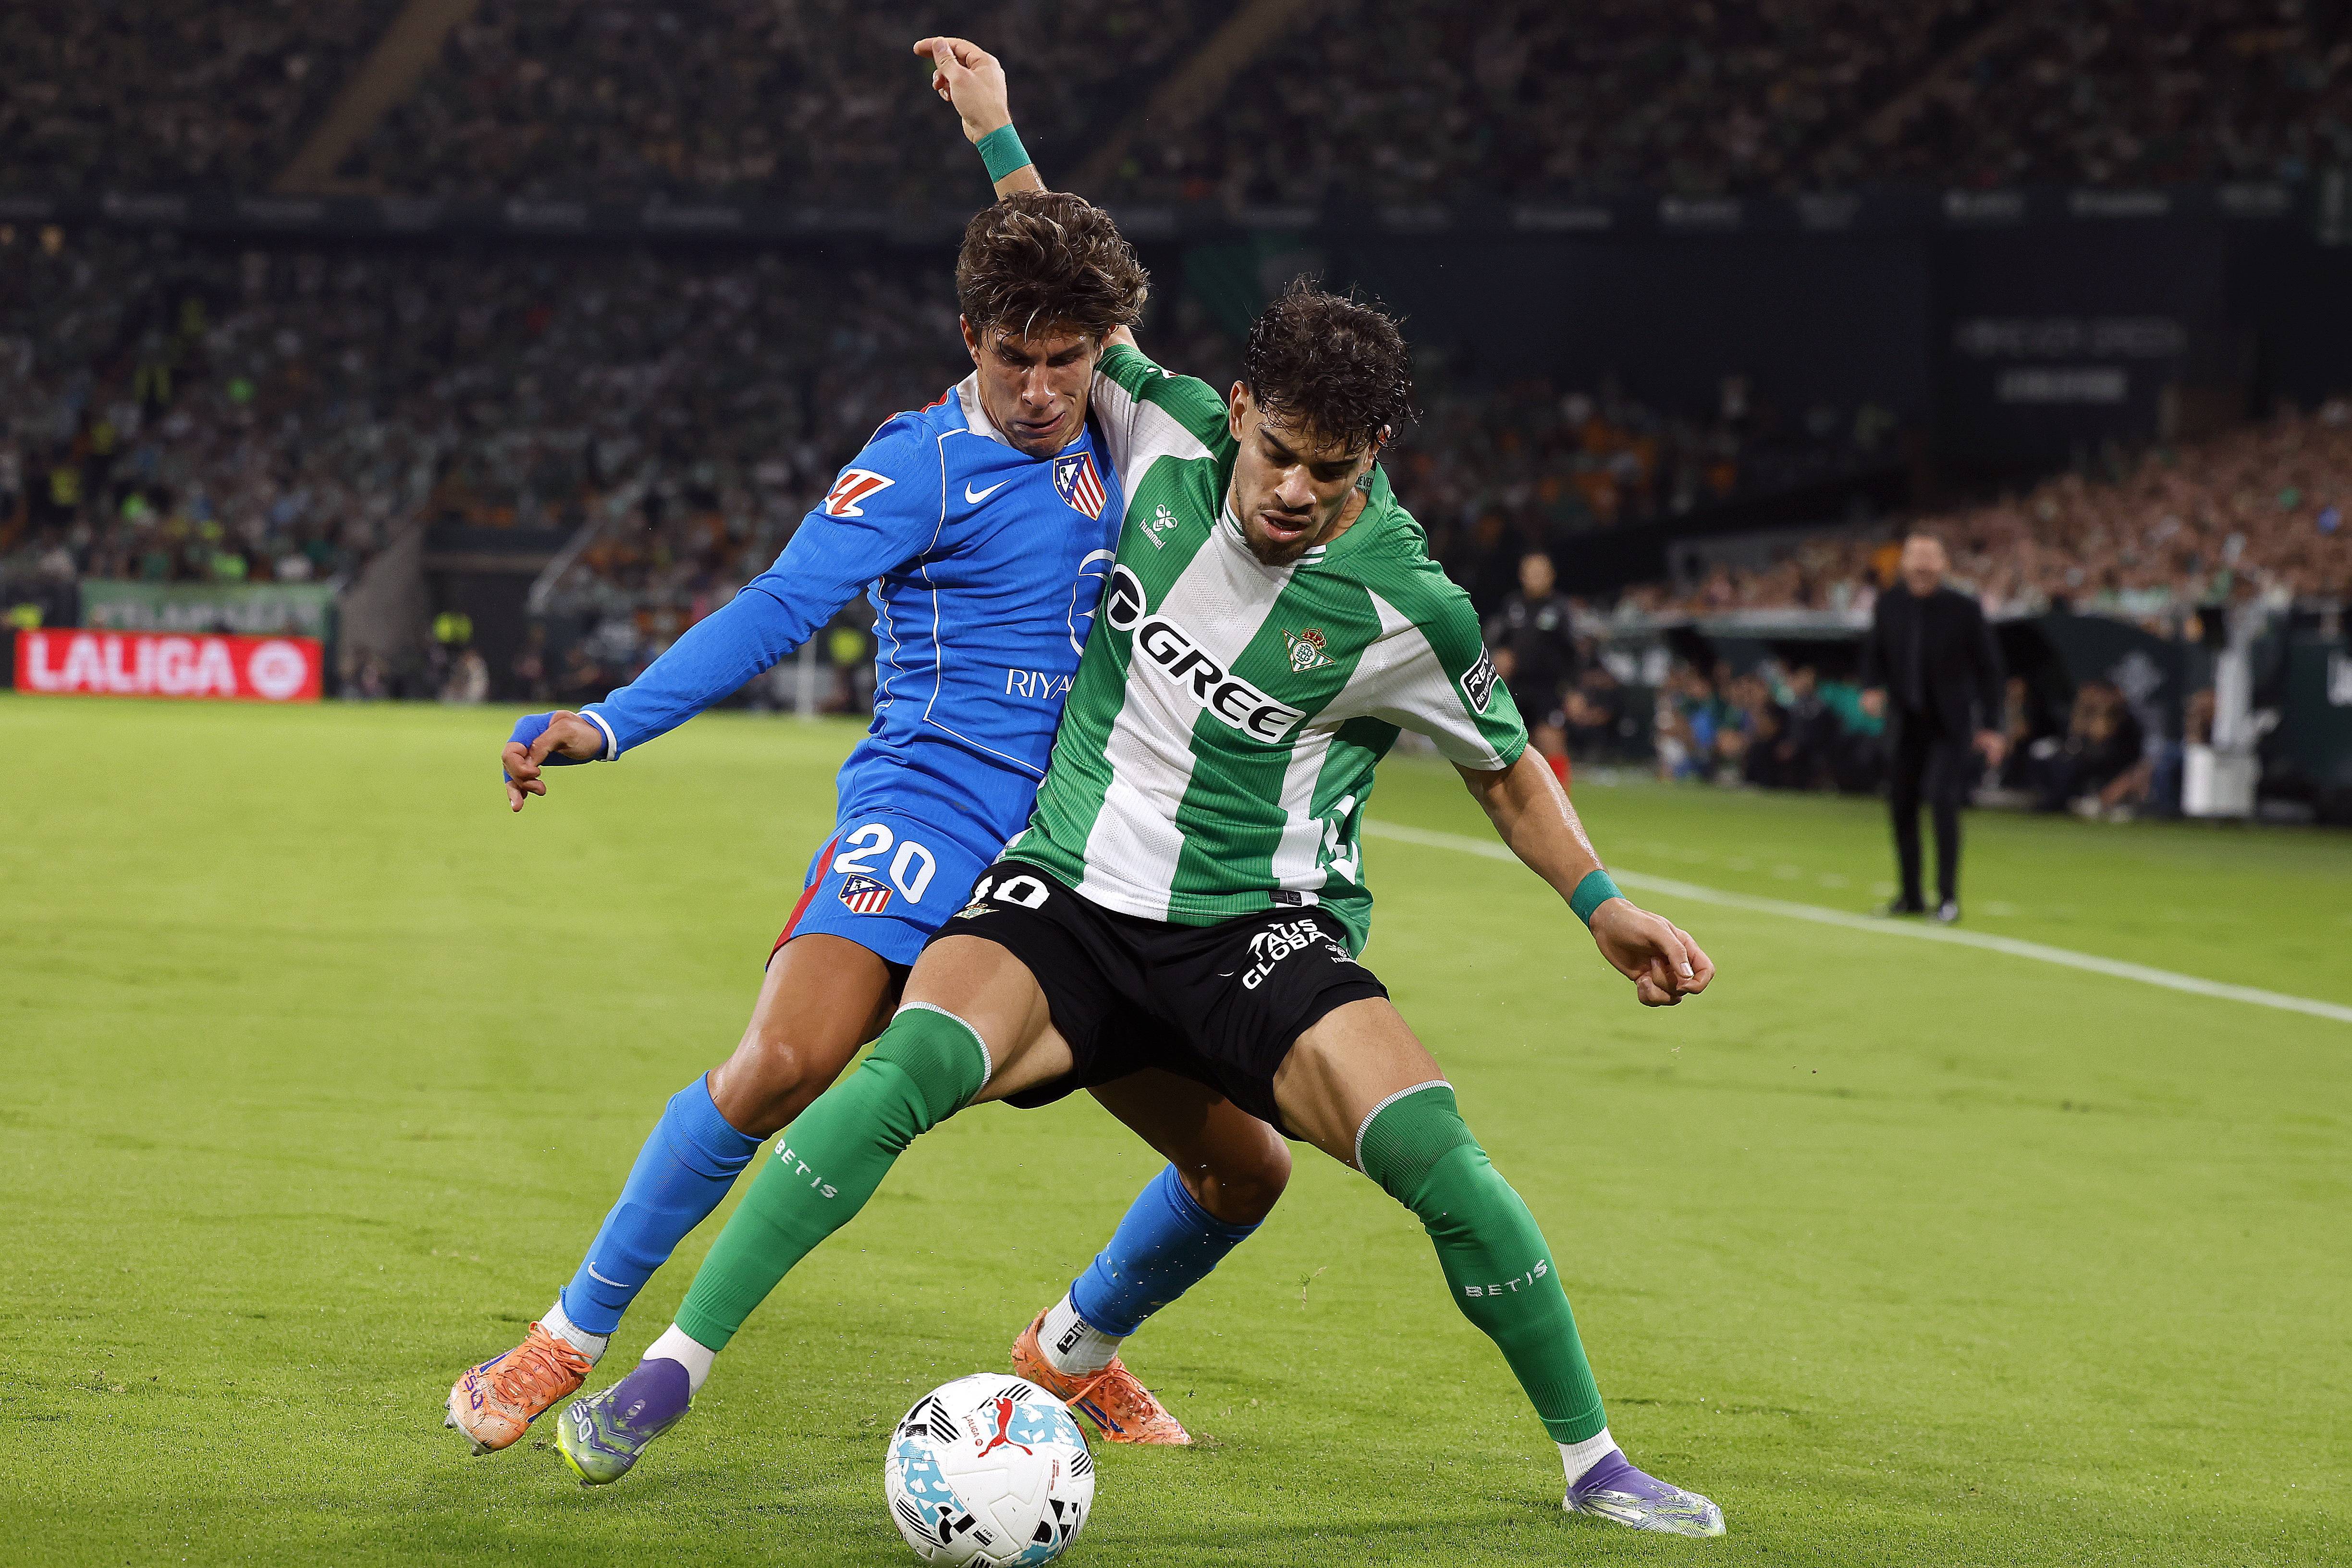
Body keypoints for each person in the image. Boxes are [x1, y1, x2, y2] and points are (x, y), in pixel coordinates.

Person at [558, 45, 1727, 1537]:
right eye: (1281, 454)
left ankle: (1592, 1463)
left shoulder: (1410, 605)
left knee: (1424, 1158)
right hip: (1069, 891)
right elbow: (1062, 280)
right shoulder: (1153, 420)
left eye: (1334, 473)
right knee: (899, 1073)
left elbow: (1506, 770)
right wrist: (997, 133)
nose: (1295, 492)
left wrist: (1602, 903)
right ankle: (663, 1375)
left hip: (1256, 930)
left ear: (1374, 460)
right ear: (1237, 409)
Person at [447, 189, 1288, 1463]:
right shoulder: (919, 463)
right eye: (1014, 359)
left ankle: (1073, 1348)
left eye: (1066, 361)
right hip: (925, 812)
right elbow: (778, 604)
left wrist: (996, 130)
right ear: (969, 338)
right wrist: (609, 723)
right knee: (785, 1064)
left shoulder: (1126, 434)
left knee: (1247, 1168)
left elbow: (1074, 256)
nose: (1042, 390)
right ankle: (568, 1336)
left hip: (1075, 856)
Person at [1858, 531, 2004, 921]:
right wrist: (1870, 687)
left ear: (1944, 565)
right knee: (1902, 805)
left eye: (1930, 558)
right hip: (1905, 721)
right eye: (1916, 557)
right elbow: (1874, 653)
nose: (1923, 566)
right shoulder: (1889, 604)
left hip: (1949, 725)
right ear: (1904, 564)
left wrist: (1992, 725)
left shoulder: (1964, 608)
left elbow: (1990, 669)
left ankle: (1947, 898)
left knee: (1942, 800)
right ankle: (1910, 896)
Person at [1484, 550, 1579, 780]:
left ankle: (1560, 796)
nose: (1534, 578)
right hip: (1516, 686)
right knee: (1511, 743)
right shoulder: (1512, 605)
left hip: (1548, 687)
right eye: (1530, 573)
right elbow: (1500, 643)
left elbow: (1574, 653)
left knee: (1551, 740)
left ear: (1551, 576)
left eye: (1540, 573)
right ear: (1522, 575)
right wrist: (1500, 657)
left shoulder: (1560, 608)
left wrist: (1575, 690)